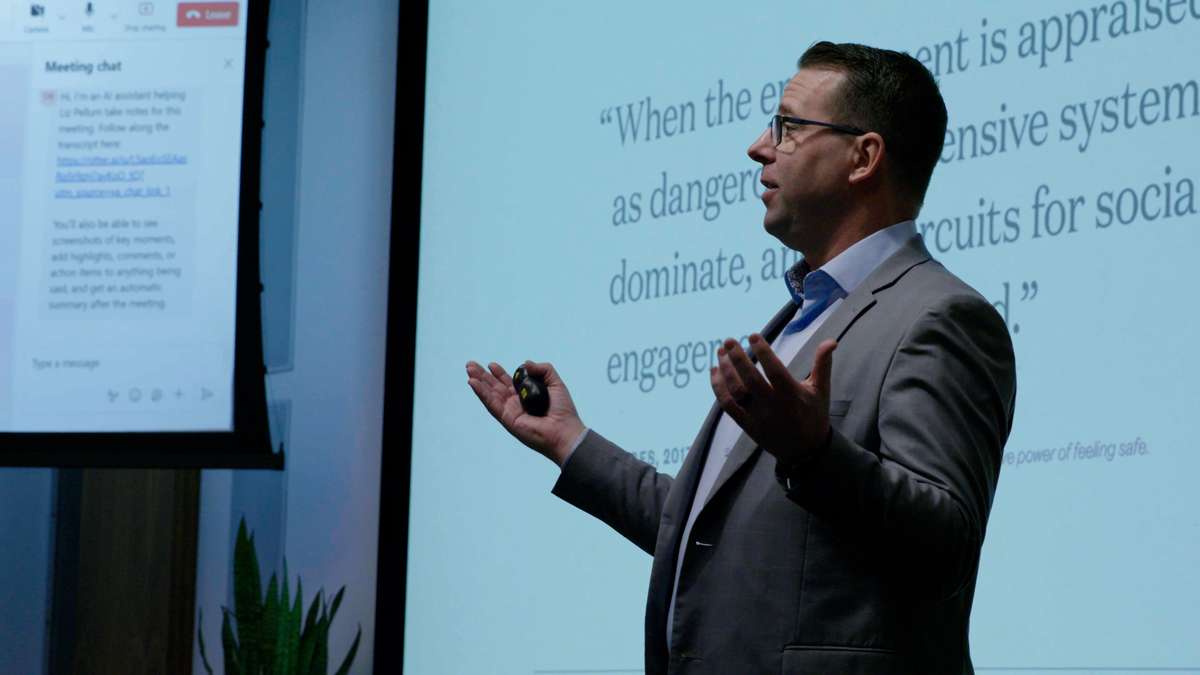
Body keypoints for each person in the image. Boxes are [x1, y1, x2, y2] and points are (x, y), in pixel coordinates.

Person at [467, 41, 1016, 674]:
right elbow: (707, 534)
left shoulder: (939, 316)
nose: (759, 146)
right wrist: (570, 441)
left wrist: (814, 455)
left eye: (786, 126)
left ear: (863, 157)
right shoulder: (799, 317)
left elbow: (945, 545)